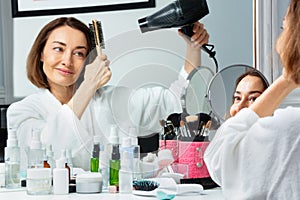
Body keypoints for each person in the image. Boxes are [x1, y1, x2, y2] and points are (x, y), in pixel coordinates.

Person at [6, 17, 209, 172]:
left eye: (79, 53)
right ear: (41, 53)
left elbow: (176, 102)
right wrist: (89, 84)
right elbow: (49, 148)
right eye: (58, 49)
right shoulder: (22, 111)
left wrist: (193, 49)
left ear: (88, 60)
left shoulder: (113, 100)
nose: (67, 61)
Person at [204, 0, 300, 199]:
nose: (279, 41)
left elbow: (220, 159)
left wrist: (289, 75)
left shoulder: (290, 127)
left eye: (284, 29)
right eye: (236, 98)